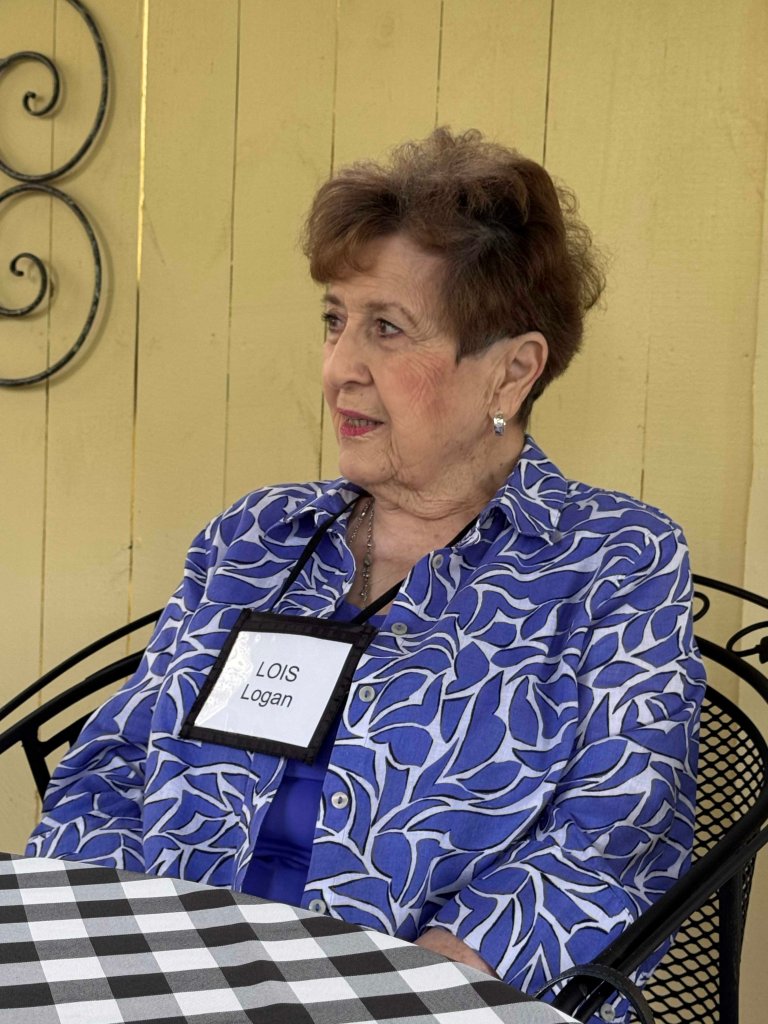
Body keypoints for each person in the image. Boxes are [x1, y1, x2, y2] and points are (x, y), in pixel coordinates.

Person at [28, 128, 705, 1008]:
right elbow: (115, 766)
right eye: (334, 321)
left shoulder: (614, 561)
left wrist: (403, 992)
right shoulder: (258, 537)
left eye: (386, 328)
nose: (339, 368)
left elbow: (614, 837)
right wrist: (101, 953)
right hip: (164, 977)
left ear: (512, 372)